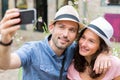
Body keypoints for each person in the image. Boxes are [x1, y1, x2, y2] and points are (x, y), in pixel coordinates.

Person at [0, 5, 111, 80]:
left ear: (77, 35)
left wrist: (104, 53)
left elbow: (93, 48)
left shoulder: (74, 49)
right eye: (61, 27)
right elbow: (5, 64)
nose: (65, 34)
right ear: (51, 28)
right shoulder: (32, 50)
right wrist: (5, 40)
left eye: (72, 30)